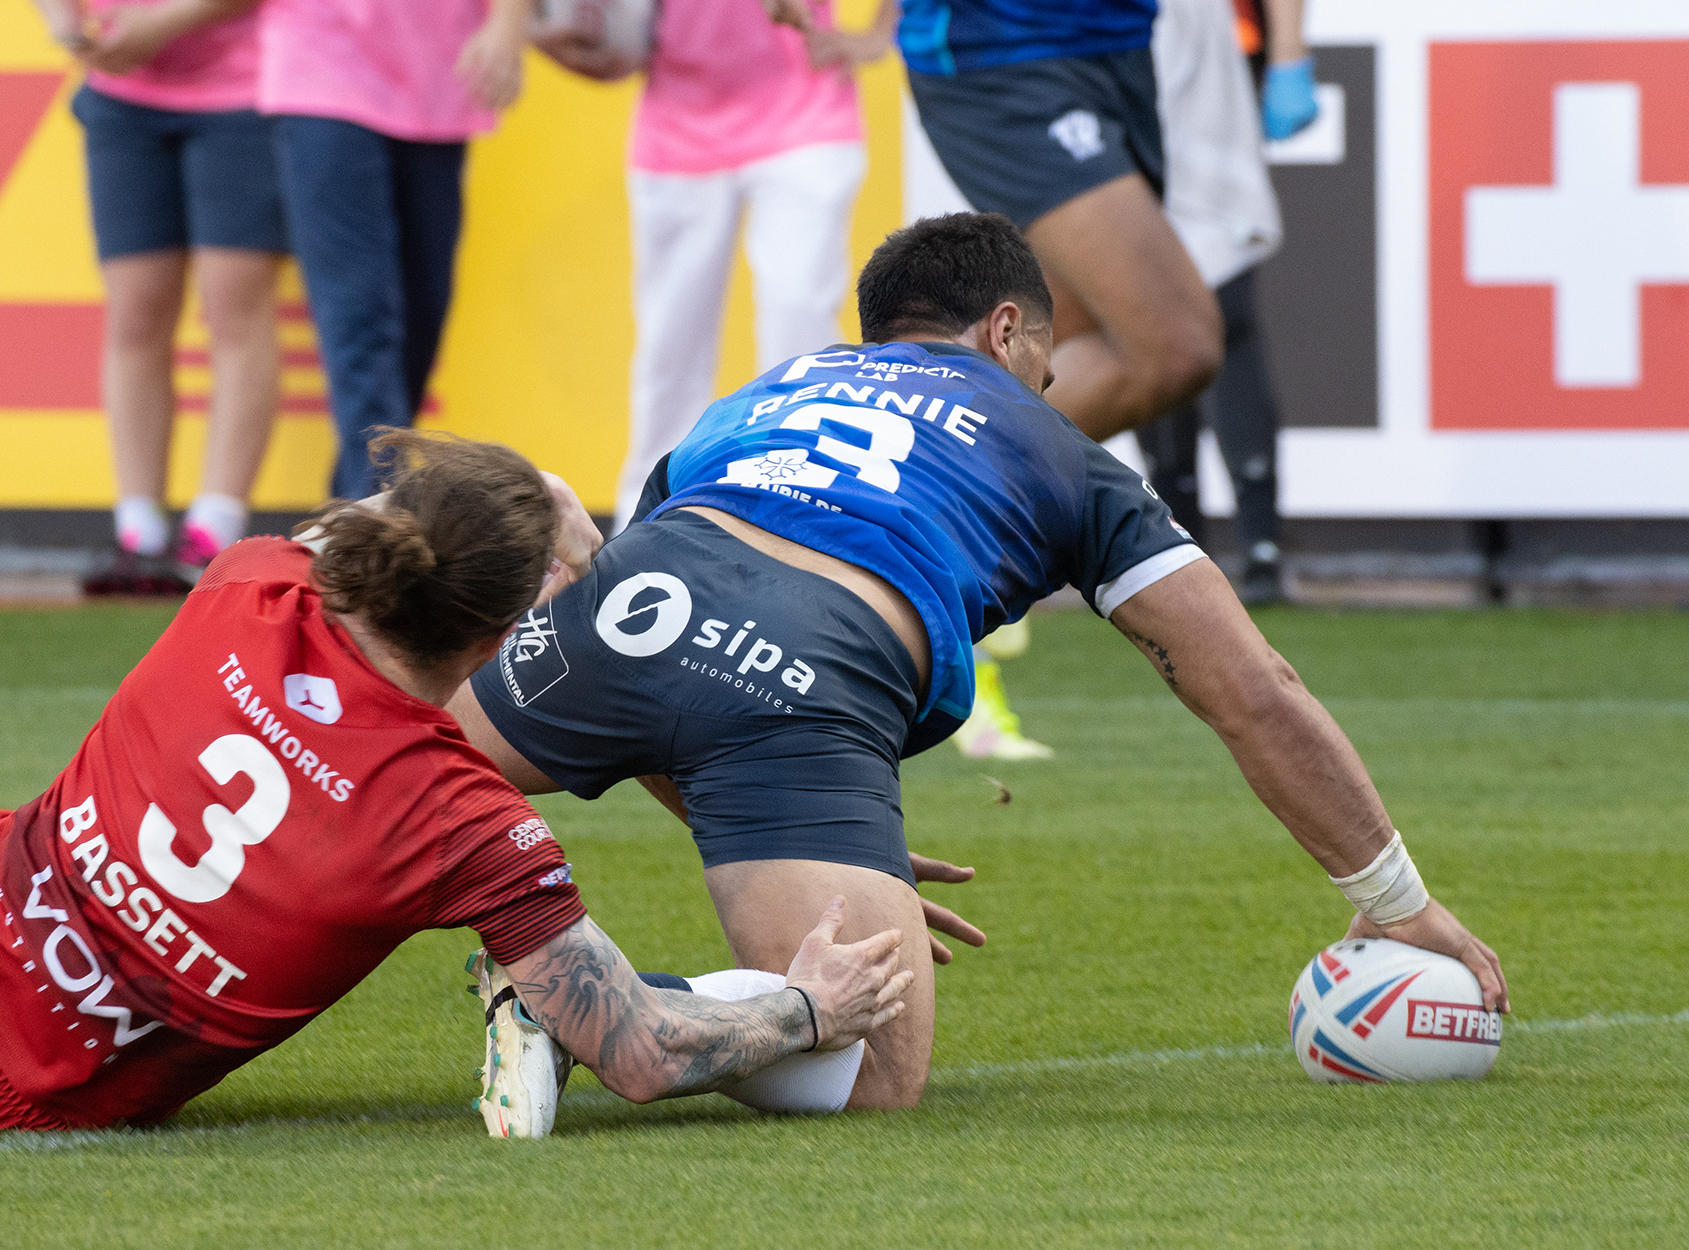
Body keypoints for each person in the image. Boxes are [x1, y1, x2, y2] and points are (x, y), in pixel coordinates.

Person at [449, 213, 1509, 1112]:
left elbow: (659, 669)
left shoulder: (762, 395)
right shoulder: (1064, 456)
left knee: (388, 776)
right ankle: (581, 1000)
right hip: (809, 672)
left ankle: (494, 971)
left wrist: (826, 841)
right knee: (871, 1068)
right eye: (1043, 365)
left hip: (626, 605)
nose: (1043, 386)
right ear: (1005, 330)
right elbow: (1253, 691)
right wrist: (1395, 895)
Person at [0, 432, 913, 1136]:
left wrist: (531, 506)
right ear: (502, 637)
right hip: (39, 1090)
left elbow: (373, 519)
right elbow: (636, 1047)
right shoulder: (468, 820)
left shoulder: (248, 582)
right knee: (23, 1015)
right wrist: (806, 1008)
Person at [537, 0, 899, 534]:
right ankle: (646, 531)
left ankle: (806, 522)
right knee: (670, 349)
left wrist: (877, 35)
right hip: (678, 126)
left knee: (798, 324)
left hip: (804, 113)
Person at [872, 0, 1221, 441]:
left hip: (1119, 42)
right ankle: (924, 473)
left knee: (1052, 353)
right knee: (1178, 348)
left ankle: (916, 466)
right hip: (998, 53)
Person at [31, 0, 288, 595]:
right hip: (122, 97)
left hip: (242, 95)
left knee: (235, 312)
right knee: (135, 315)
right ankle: (138, 531)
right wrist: (63, 23)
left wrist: (161, 23)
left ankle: (215, 532)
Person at [257, 0, 532, 500]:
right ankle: (377, 505)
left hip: (439, 73)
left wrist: (509, 22)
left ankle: (357, 503)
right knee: (360, 313)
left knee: (423, 309)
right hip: (323, 65)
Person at [1135, 0, 1313, 604]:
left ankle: (1262, 547)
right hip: (1099, 49)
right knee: (1142, 311)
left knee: (1223, 307)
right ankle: (1172, 542)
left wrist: (1288, 53)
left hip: (1199, 44)